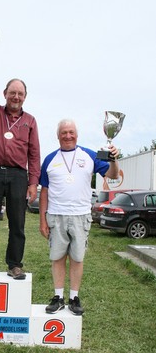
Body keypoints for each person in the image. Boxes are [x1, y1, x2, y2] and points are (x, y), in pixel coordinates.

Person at [0, 45, 41, 280]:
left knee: (18, 224)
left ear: (25, 97)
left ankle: (15, 264)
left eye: (20, 94)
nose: (16, 97)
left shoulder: (30, 121)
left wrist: (33, 183)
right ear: (4, 94)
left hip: (18, 175)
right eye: (12, 93)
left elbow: (34, 154)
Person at [39, 119, 120, 315]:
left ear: (77, 134)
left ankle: (74, 298)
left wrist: (114, 159)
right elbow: (44, 191)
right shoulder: (50, 159)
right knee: (57, 258)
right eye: (64, 132)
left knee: (77, 258)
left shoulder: (90, 155)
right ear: (58, 136)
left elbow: (113, 174)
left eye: (71, 132)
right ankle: (58, 297)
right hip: (56, 215)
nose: (68, 135)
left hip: (80, 216)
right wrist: (42, 219)